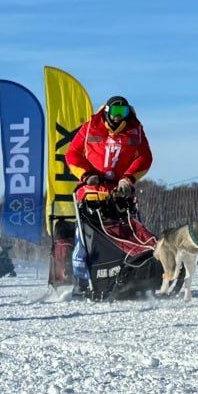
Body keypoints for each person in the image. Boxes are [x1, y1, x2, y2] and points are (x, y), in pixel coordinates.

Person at [63, 95, 153, 293]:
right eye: (115, 112)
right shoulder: (89, 128)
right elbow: (72, 154)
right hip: (92, 193)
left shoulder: (135, 130)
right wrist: (86, 175)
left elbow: (145, 158)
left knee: (128, 232)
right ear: (106, 112)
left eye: (124, 112)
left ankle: (133, 271)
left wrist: (128, 178)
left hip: (119, 194)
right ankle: (83, 282)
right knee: (86, 241)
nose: (119, 117)